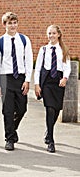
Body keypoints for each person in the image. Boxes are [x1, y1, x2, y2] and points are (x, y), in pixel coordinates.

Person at [0, 12, 33, 151]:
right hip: (6, 78)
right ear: (5, 25)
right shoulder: (0, 42)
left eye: (15, 23)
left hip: (20, 78)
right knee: (8, 111)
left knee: (22, 109)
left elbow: (28, 61)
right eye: (10, 23)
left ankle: (12, 129)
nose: (13, 25)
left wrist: (27, 80)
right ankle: (9, 138)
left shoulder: (24, 40)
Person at [34, 25, 71, 153]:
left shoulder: (64, 50)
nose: (51, 36)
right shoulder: (43, 49)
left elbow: (67, 66)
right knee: (49, 109)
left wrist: (65, 78)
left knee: (56, 110)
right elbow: (38, 68)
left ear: (58, 34)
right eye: (49, 33)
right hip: (47, 82)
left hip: (59, 82)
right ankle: (51, 140)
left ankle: (48, 131)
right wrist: (37, 84)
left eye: (53, 33)